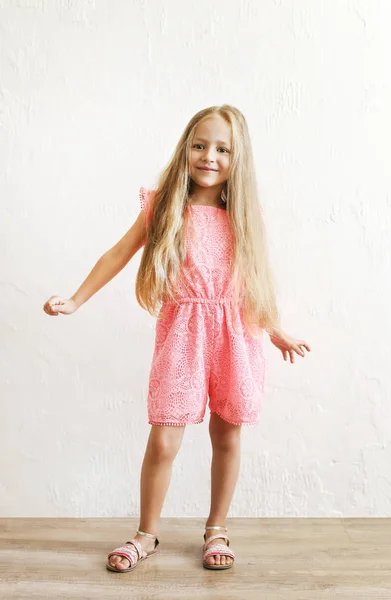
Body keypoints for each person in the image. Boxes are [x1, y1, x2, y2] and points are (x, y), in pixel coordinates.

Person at [43, 104, 311, 574]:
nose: (210, 156)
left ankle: (216, 528)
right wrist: (76, 299)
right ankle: (146, 532)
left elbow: (254, 281)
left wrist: (276, 330)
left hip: (235, 334)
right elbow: (117, 254)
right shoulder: (164, 206)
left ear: (238, 157)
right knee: (164, 441)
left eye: (223, 149)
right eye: (200, 145)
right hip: (183, 334)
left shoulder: (243, 216)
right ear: (186, 148)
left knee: (227, 434)